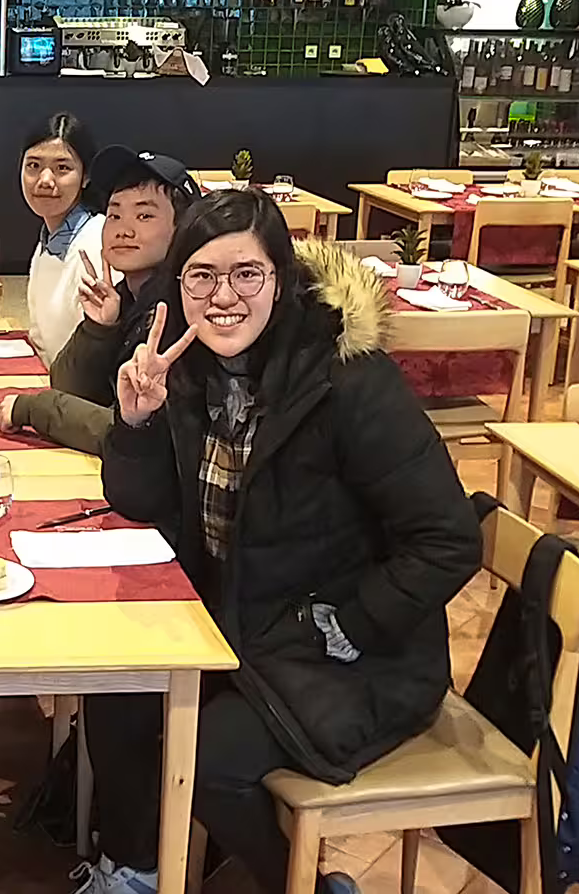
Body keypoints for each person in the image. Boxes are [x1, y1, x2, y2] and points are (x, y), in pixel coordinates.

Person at [74, 191, 482, 894]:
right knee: (115, 693)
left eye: (246, 275)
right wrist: (136, 423)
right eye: (201, 276)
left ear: (282, 281)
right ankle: (137, 872)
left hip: (351, 653)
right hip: (244, 627)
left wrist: (349, 625)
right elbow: (145, 506)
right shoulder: (194, 374)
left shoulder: (348, 383)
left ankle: (308, 886)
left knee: (206, 761)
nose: (222, 296)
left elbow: (447, 539)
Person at [2, 147, 200, 454]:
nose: (124, 229)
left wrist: (34, 409)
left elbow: (129, 434)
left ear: (184, 228)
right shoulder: (125, 297)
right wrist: (99, 330)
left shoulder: (181, 310)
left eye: (145, 215)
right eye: (115, 214)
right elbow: (67, 385)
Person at [21, 112, 107, 360]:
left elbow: (92, 358)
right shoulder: (47, 243)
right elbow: (39, 338)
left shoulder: (95, 245)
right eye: (34, 166)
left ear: (86, 177)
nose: (45, 180)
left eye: (62, 168)